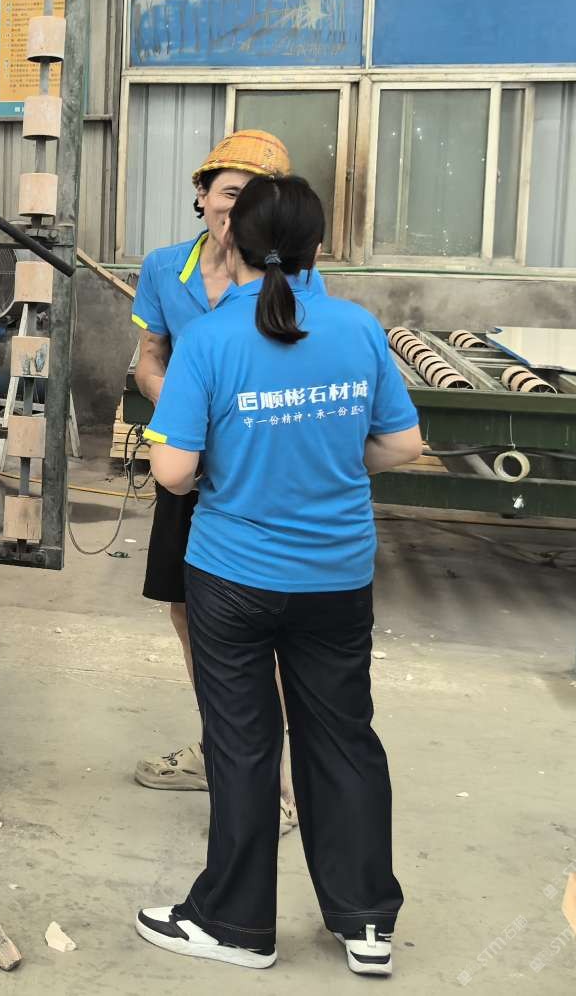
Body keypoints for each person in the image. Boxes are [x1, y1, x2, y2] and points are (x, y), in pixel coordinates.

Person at [133, 175, 421, 976]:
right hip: (337, 574)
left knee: (243, 743)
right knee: (343, 737)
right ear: (316, 248)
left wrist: (236, 461)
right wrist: (329, 461)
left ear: (233, 239)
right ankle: (366, 922)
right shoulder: (358, 328)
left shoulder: (210, 340)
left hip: (233, 575)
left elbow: (173, 472)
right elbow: (404, 445)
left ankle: (235, 924)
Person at [130, 130, 322, 835]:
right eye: (228, 192)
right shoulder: (164, 269)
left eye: (253, 198)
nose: (235, 210)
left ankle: (277, 777)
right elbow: (149, 360)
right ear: (203, 194)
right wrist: (181, 409)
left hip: (254, 471)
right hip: (187, 469)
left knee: (254, 620)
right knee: (188, 614)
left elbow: (299, 366)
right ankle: (224, 747)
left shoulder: (295, 278)